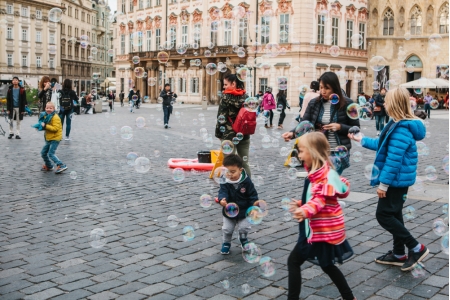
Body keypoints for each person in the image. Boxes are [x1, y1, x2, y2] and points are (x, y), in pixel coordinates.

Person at [348, 87, 429, 272]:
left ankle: (417, 248)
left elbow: (393, 160)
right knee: (395, 215)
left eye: (386, 100)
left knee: (383, 215)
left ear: (394, 104)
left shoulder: (400, 129)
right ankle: (399, 253)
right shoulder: (395, 123)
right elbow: (382, 145)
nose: (383, 103)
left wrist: (383, 185)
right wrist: (361, 140)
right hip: (398, 180)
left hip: (395, 181)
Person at [288, 132, 355, 300]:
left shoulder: (323, 177)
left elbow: (319, 200)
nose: (299, 155)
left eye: (302, 151)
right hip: (322, 230)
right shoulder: (319, 172)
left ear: (313, 152)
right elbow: (315, 198)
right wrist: (302, 204)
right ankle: (349, 297)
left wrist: (305, 210)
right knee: (327, 265)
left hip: (318, 232)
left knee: (293, 262)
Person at [283, 72, 360, 175]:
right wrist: (292, 133)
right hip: (318, 151)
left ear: (334, 87)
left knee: (330, 183)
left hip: (338, 152)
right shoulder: (314, 103)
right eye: (321, 87)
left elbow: (356, 128)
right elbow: (305, 123)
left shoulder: (348, 103)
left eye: (327, 88)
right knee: (317, 182)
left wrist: (340, 127)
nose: (323, 91)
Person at [216, 154, 258, 254]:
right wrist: (222, 199)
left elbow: (253, 195)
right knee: (227, 229)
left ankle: (243, 239)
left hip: (244, 211)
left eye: (233, 171)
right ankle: (226, 242)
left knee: (244, 228)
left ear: (240, 170)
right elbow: (222, 191)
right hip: (229, 210)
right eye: (227, 171)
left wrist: (253, 207)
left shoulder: (246, 181)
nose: (230, 174)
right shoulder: (224, 179)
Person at [215, 74, 252, 176]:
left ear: (233, 83)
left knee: (229, 164)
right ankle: (248, 186)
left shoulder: (225, 97)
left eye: (226, 84)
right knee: (244, 163)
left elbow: (221, 118)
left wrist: (218, 134)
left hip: (228, 135)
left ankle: (230, 187)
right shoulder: (246, 97)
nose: (224, 87)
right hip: (244, 134)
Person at [37, 102, 68, 174]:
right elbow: (45, 126)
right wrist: (40, 127)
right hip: (49, 138)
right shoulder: (47, 116)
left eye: (50, 108)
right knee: (43, 153)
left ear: (54, 109)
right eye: (47, 108)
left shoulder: (55, 117)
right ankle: (49, 166)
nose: (48, 109)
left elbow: (55, 129)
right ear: (45, 108)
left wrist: (45, 126)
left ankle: (61, 165)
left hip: (55, 138)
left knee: (51, 153)